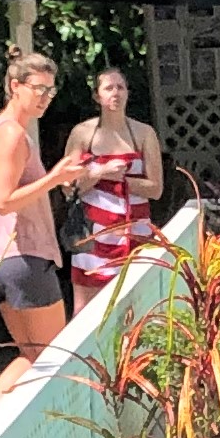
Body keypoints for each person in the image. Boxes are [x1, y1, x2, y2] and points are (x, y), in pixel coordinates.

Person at [0, 51, 89, 353]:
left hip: (3, 260)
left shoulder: (1, 128)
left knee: (33, 360)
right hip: (23, 257)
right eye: (38, 88)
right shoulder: (11, 134)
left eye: (50, 90)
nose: (45, 97)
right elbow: (4, 201)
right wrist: (53, 179)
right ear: (14, 86)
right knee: (54, 361)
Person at [64, 63, 166, 305]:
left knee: (140, 306)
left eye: (120, 87)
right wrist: (100, 173)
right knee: (86, 310)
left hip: (136, 233)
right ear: (97, 96)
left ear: (128, 93)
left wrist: (122, 179)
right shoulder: (82, 134)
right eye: (109, 88)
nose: (115, 93)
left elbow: (157, 189)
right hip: (92, 234)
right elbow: (68, 187)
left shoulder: (143, 133)